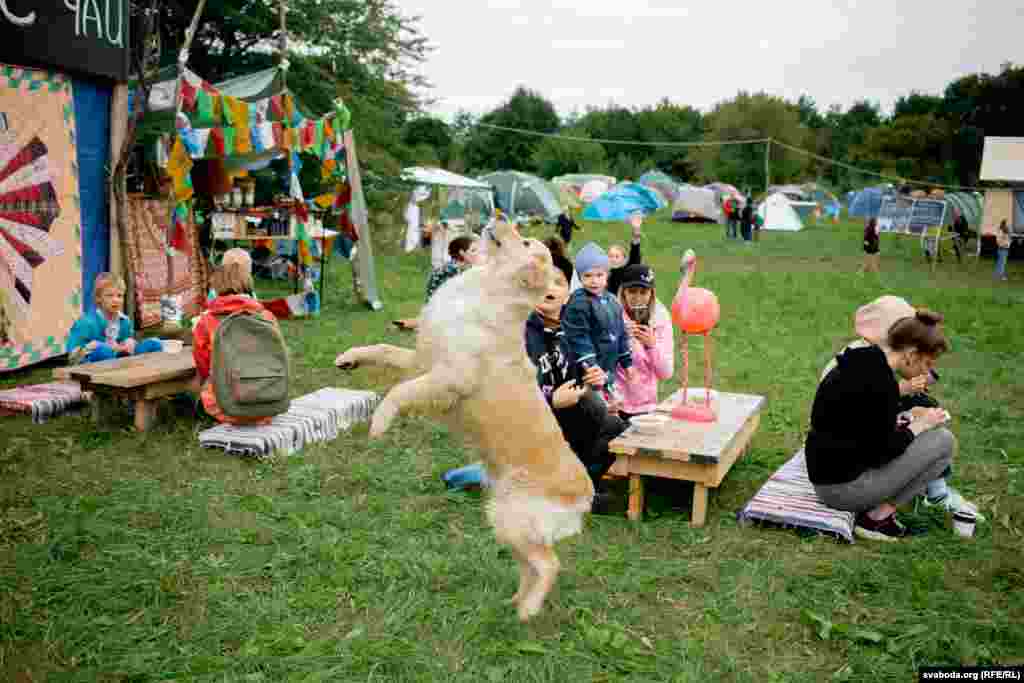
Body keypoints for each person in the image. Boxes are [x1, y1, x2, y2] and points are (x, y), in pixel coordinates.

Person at [806, 310, 982, 541]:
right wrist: (920, 425)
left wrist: (904, 418)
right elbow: (882, 454)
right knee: (943, 441)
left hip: (827, 476)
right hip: (842, 491)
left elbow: (859, 424)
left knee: (929, 435)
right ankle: (877, 519)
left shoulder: (862, 361)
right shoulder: (881, 382)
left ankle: (878, 517)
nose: (926, 372)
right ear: (910, 355)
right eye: (927, 363)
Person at [524, 246, 628, 500]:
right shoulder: (519, 332)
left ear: (567, 293)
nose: (549, 288)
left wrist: (600, 382)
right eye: (542, 281)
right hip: (530, 425)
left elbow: (590, 373)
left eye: (557, 283)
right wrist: (552, 401)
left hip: (568, 421)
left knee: (616, 424)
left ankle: (580, 488)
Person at [192, 262, 282, 425]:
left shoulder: (207, 321)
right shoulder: (267, 317)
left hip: (225, 407)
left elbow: (203, 364)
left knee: (204, 389)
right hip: (268, 402)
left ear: (216, 285)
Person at [562, 242, 635, 411]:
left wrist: (627, 362)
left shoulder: (612, 301)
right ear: (580, 277)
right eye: (587, 276)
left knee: (613, 409)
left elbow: (621, 333)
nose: (594, 281)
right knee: (593, 409)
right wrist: (590, 364)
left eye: (599, 275)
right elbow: (578, 336)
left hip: (608, 366)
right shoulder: (579, 302)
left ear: (607, 275)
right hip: (588, 371)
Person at [615, 264, 674, 420]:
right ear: (623, 292)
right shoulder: (611, 315)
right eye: (632, 291)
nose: (638, 298)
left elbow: (666, 373)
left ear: (652, 293)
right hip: (613, 404)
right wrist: (619, 339)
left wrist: (651, 345)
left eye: (643, 292)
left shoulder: (660, 318)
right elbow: (600, 363)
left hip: (646, 405)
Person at [66, 273, 163, 365]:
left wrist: (130, 343)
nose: (115, 300)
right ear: (98, 298)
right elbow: (72, 356)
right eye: (110, 296)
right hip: (95, 361)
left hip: (121, 359)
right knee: (103, 351)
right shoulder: (86, 322)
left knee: (154, 343)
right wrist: (89, 348)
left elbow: (126, 345)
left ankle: (144, 372)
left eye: (119, 296)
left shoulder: (124, 321)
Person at [394, 235, 485, 331]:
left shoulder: (464, 267)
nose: (477, 254)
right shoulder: (453, 269)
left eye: (477, 250)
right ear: (462, 253)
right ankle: (412, 323)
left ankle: (416, 323)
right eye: (473, 251)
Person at [605, 216, 644, 296]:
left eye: (616, 256)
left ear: (623, 259)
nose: (613, 259)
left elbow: (635, 254)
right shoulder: (603, 272)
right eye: (610, 256)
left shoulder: (627, 271)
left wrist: (636, 229)